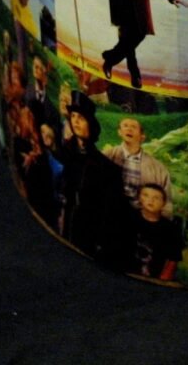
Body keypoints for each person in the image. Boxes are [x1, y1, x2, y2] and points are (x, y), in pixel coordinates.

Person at [59, 92, 130, 266]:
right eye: (73, 116)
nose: (75, 121)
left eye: (81, 118)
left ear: (90, 123)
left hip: (89, 239)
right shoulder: (65, 153)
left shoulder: (107, 169)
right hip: (64, 228)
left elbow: (109, 214)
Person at [103, 116, 173, 213]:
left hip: (142, 216)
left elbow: (166, 202)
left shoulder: (158, 168)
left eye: (134, 127)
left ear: (142, 136)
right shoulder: (107, 156)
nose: (129, 129)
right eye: (125, 126)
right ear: (119, 132)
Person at [125, 183, 184, 280]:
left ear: (163, 203)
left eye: (156, 198)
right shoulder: (128, 218)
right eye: (146, 195)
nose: (151, 200)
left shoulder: (171, 229)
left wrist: (163, 280)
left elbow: (173, 259)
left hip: (153, 278)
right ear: (139, 198)